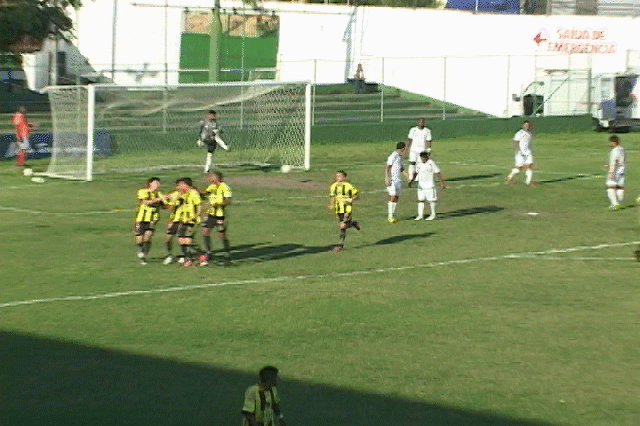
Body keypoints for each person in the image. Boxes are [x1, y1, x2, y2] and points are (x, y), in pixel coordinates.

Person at [199, 170, 232, 266]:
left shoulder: (225, 187)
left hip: (220, 215)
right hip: (210, 214)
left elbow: (228, 200)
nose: (210, 179)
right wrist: (195, 190)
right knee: (204, 232)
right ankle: (208, 252)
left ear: (218, 178)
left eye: (212, 177)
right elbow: (206, 193)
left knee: (221, 235)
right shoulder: (212, 186)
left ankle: (227, 252)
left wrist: (218, 204)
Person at [328, 170, 361, 252]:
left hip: (347, 209)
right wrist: (331, 204)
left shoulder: (348, 186)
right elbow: (332, 197)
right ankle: (353, 224)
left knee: (342, 225)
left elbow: (357, 195)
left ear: (344, 177)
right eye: (337, 176)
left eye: (340, 176)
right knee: (342, 227)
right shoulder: (333, 186)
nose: (338, 178)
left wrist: (351, 199)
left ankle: (340, 245)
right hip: (338, 209)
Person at [134, 177, 164, 265]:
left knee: (148, 237)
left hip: (152, 218)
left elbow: (164, 205)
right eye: (155, 183)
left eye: (158, 183)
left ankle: (144, 255)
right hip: (141, 218)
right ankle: (140, 250)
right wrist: (159, 199)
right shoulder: (143, 191)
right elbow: (145, 202)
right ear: (150, 184)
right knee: (139, 239)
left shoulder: (159, 193)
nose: (157, 185)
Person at [408, 151, 446, 220]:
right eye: (421, 158)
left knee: (431, 200)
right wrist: (412, 180)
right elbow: (416, 173)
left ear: (427, 157)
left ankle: (433, 214)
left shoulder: (431, 163)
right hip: (421, 186)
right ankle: (420, 215)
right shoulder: (419, 164)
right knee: (420, 200)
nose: (423, 159)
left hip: (429, 185)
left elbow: (437, 172)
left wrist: (441, 182)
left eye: (424, 158)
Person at [173, 177, 202, 267]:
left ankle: (191, 258)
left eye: (180, 185)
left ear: (186, 185)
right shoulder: (183, 194)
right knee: (181, 238)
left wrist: (195, 216)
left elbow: (199, 206)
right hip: (184, 219)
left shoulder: (193, 193)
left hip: (191, 219)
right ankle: (199, 255)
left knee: (186, 237)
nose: (179, 187)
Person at [506, 120, 536, 186]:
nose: (526, 126)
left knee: (530, 166)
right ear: (523, 126)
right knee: (519, 168)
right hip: (520, 152)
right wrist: (518, 151)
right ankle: (510, 177)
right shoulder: (519, 133)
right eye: (525, 125)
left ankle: (528, 182)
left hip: (527, 152)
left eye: (528, 125)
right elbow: (515, 142)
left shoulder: (529, 133)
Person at [385, 142, 407, 223]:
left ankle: (393, 214)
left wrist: (408, 176)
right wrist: (387, 177)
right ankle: (390, 216)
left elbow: (402, 168)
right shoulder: (393, 156)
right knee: (393, 196)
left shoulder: (400, 157)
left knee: (397, 197)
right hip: (392, 179)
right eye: (404, 148)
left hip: (398, 179)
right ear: (401, 148)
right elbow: (387, 167)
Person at [162, 180, 182, 265]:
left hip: (184, 219)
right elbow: (167, 206)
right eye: (177, 185)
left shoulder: (187, 194)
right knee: (168, 238)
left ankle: (184, 256)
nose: (178, 187)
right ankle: (169, 255)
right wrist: (162, 201)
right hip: (174, 219)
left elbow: (171, 207)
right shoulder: (173, 194)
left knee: (182, 239)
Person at [605, 135, 625, 210]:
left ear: (613, 142)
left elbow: (614, 162)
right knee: (619, 187)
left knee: (610, 187)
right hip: (621, 170)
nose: (609, 144)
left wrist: (611, 172)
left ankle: (614, 204)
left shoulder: (614, 151)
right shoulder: (622, 149)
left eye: (610, 142)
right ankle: (621, 201)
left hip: (615, 171)